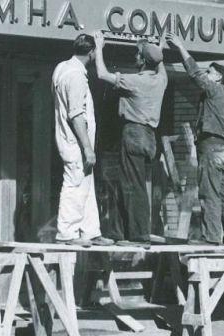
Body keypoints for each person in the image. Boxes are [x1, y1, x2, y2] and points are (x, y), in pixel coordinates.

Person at [166, 34, 224, 245]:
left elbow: (194, 74)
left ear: (218, 77)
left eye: (211, 72)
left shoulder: (215, 90)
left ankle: (210, 238)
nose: (207, 75)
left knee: (209, 193)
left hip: (211, 148)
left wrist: (181, 47)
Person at [93, 30, 168, 245]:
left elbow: (101, 74)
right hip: (149, 137)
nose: (134, 57)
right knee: (135, 184)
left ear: (143, 61)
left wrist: (99, 46)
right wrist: (158, 48)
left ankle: (137, 234)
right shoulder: (160, 80)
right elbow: (159, 63)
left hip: (133, 133)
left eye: (138, 55)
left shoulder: (135, 81)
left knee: (132, 186)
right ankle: (124, 232)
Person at [51, 34, 113, 246]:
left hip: (70, 139)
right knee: (75, 183)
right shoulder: (76, 75)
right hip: (75, 141)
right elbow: (76, 114)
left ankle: (90, 231)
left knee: (85, 182)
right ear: (91, 52)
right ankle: (67, 233)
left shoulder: (62, 67)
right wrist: (87, 147)